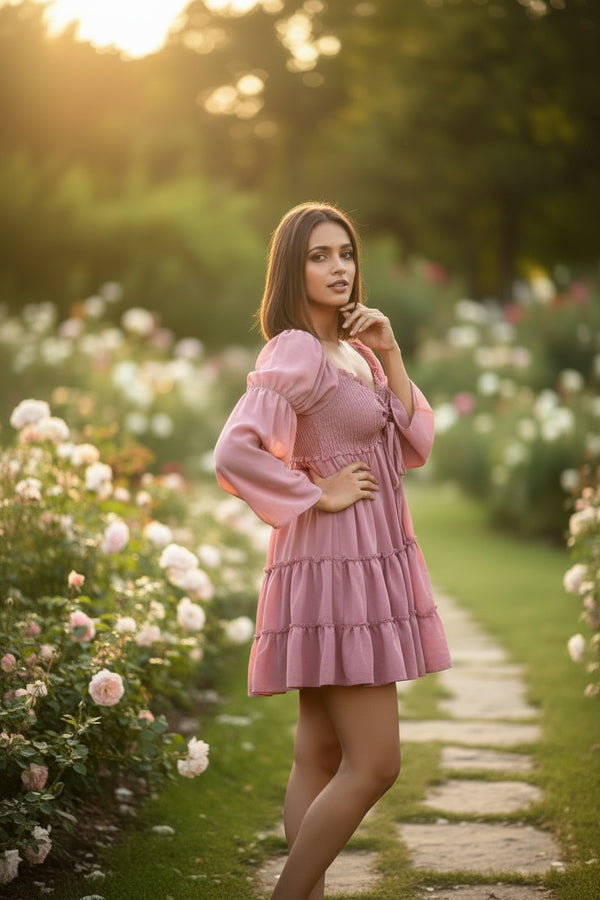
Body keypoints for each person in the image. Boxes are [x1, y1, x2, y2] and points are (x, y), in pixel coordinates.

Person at [213, 201, 452, 900]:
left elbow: (414, 442)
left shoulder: (356, 351)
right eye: (319, 256)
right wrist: (316, 492)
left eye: (345, 253)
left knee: (317, 754)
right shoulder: (295, 349)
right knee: (376, 764)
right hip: (334, 564)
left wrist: (391, 351)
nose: (338, 267)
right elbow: (233, 451)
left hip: (364, 559)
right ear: (293, 268)